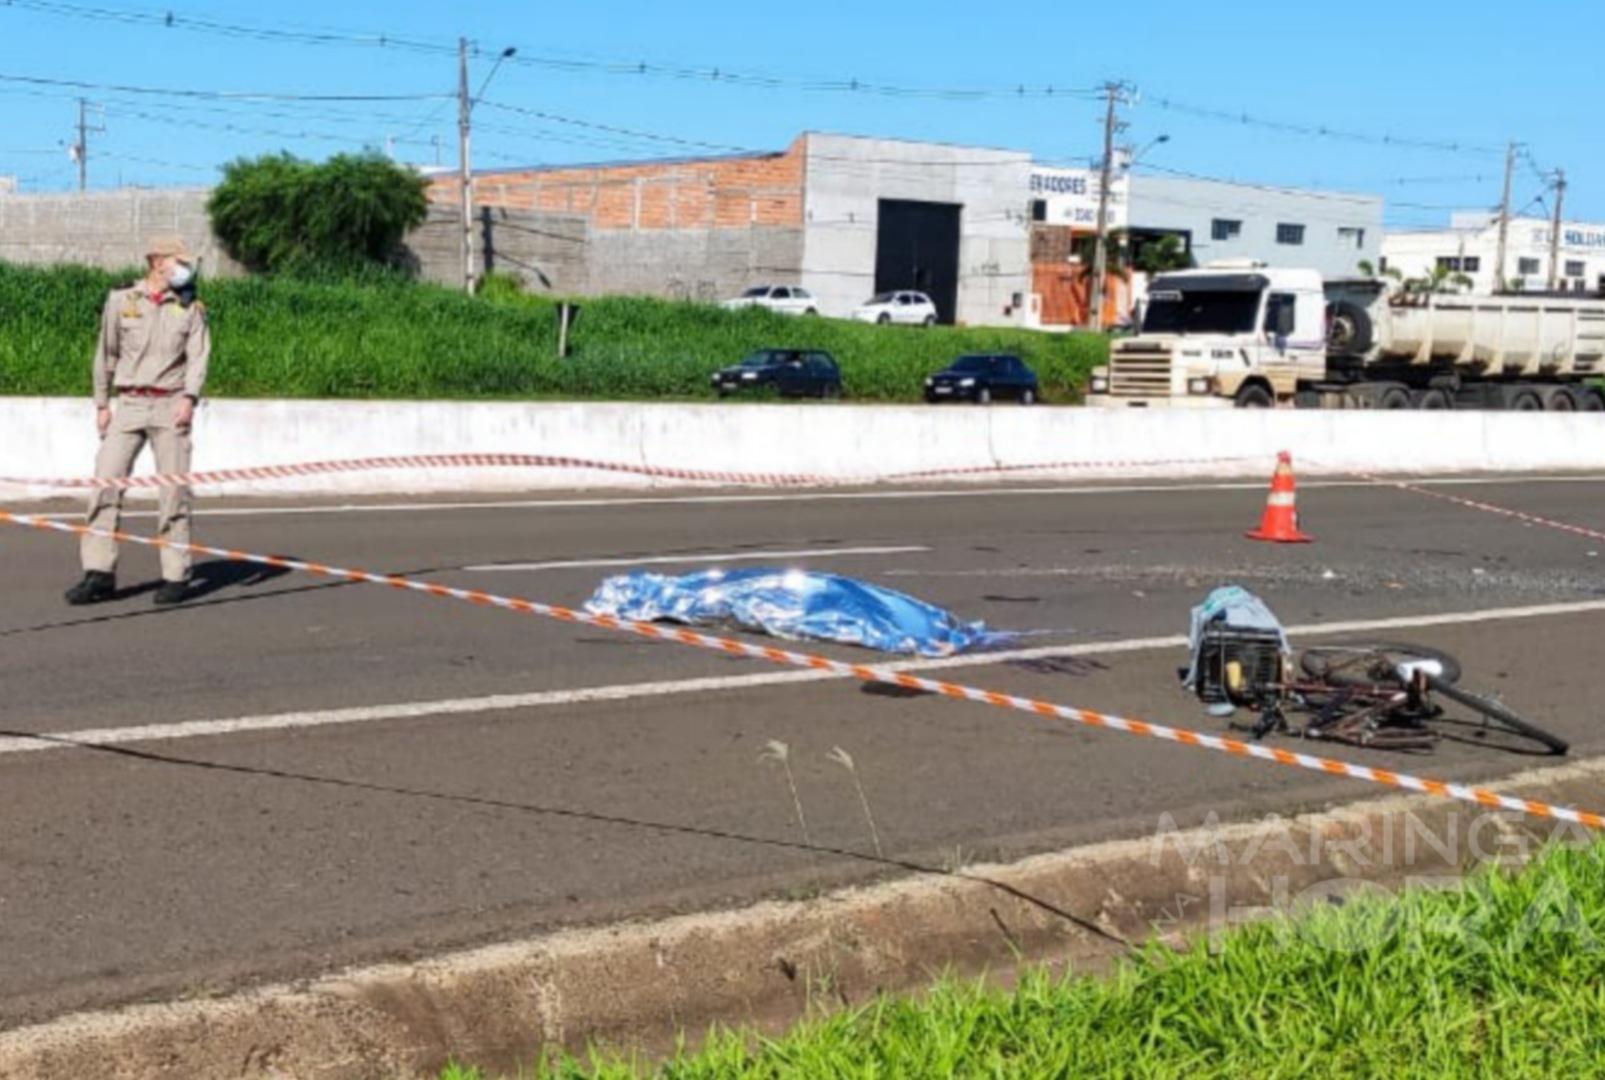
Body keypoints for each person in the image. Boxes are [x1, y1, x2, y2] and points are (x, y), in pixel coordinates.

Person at [64, 235, 211, 607]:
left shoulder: (189, 306)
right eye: (179, 261)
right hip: (129, 403)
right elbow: (105, 352)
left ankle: (175, 575)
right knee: (105, 485)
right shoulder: (122, 300)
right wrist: (101, 403)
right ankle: (98, 573)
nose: (185, 268)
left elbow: (199, 356)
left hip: (170, 404)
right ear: (158, 262)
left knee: (173, 492)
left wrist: (190, 398)